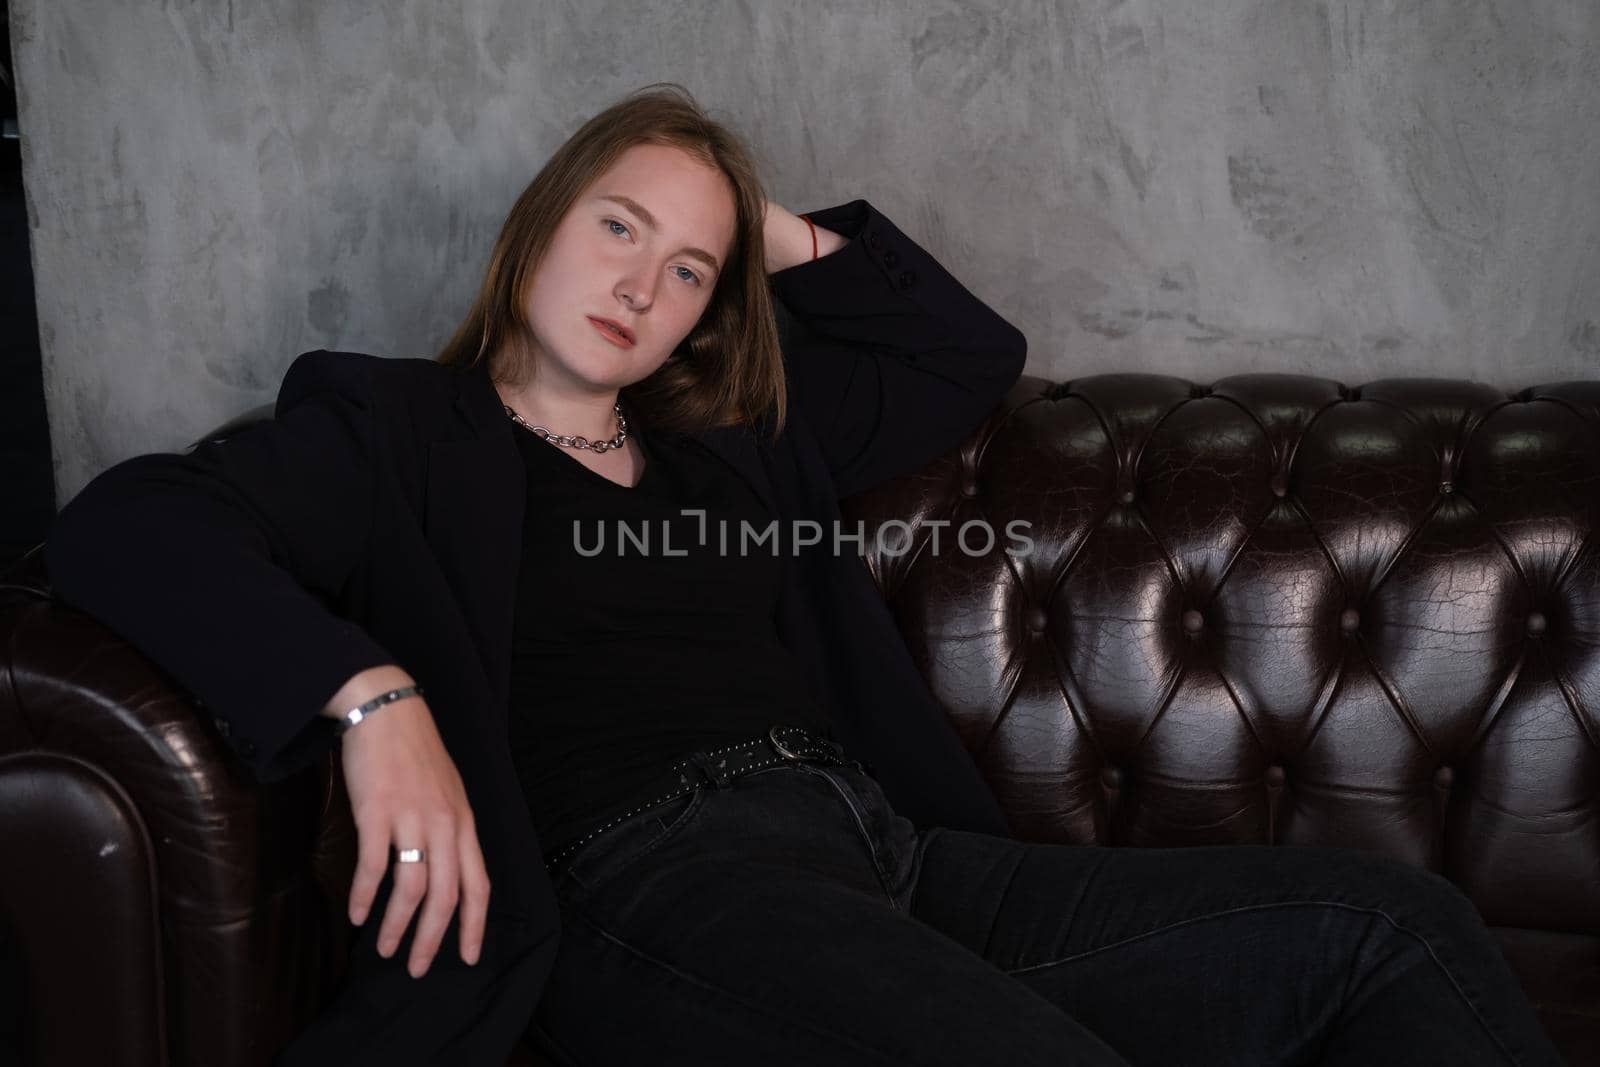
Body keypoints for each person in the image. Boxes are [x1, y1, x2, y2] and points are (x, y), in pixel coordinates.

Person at [44, 84, 1563, 1066]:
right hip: (651, 881)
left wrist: (753, 220)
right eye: (617, 225)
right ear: (533, 234)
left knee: (1399, 928)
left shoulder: (736, 448)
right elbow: (120, 525)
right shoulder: (392, 431)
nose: (642, 283)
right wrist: (371, 703)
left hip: (888, 858)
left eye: (689, 267)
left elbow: (965, 354)